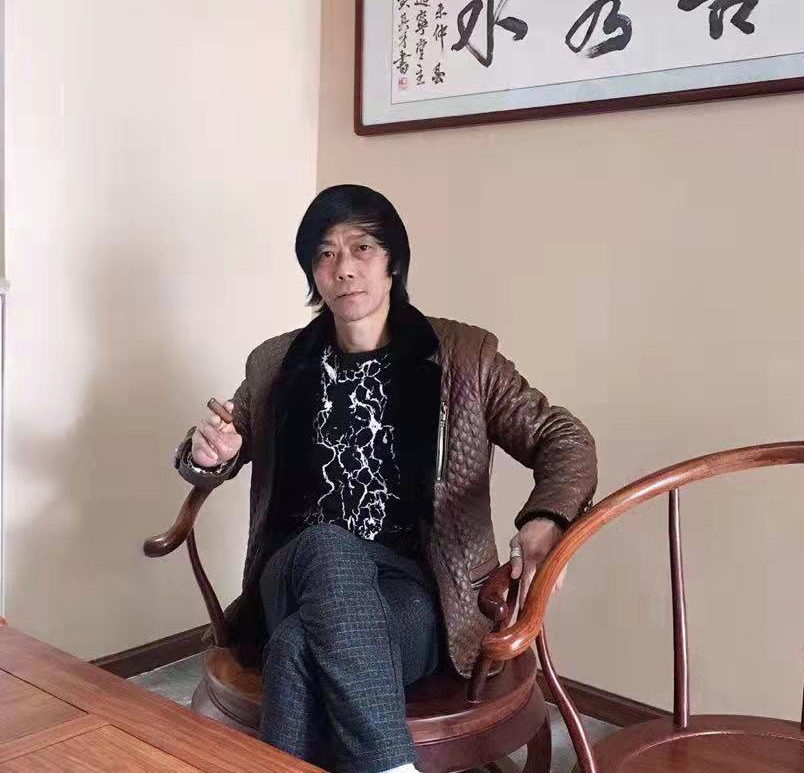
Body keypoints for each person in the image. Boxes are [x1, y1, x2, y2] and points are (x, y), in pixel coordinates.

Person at [173, 184, 597, 773]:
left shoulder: (463, 357)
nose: (344, 268)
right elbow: (215, 446)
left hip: (416, 587)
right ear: (313, 273)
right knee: (327, 545)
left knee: (296, 650)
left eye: (362, 248)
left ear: (392, 260)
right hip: (294, 569)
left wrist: (546, 518)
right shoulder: (276, 363)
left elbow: (564, 438)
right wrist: (207, 455)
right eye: (325, 254)